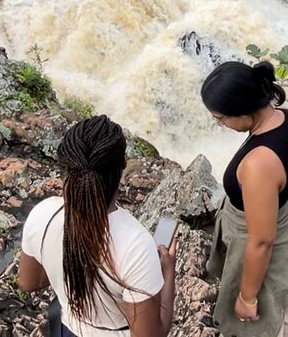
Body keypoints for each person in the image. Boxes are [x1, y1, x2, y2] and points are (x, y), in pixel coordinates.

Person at [18, 115, 176, 337]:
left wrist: (71, 269)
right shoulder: (135, 244)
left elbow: (28, 282)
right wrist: (168, 272)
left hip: (66, 329)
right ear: (122, 166)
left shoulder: (42, 214)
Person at [201, 61, 288, 337]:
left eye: (221, 118)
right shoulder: (286, 117)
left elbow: (262, 241)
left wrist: (247, 298)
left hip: (271, 245)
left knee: (271, 322)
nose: (220, 124)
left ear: (243, 109)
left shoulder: (259, 165)